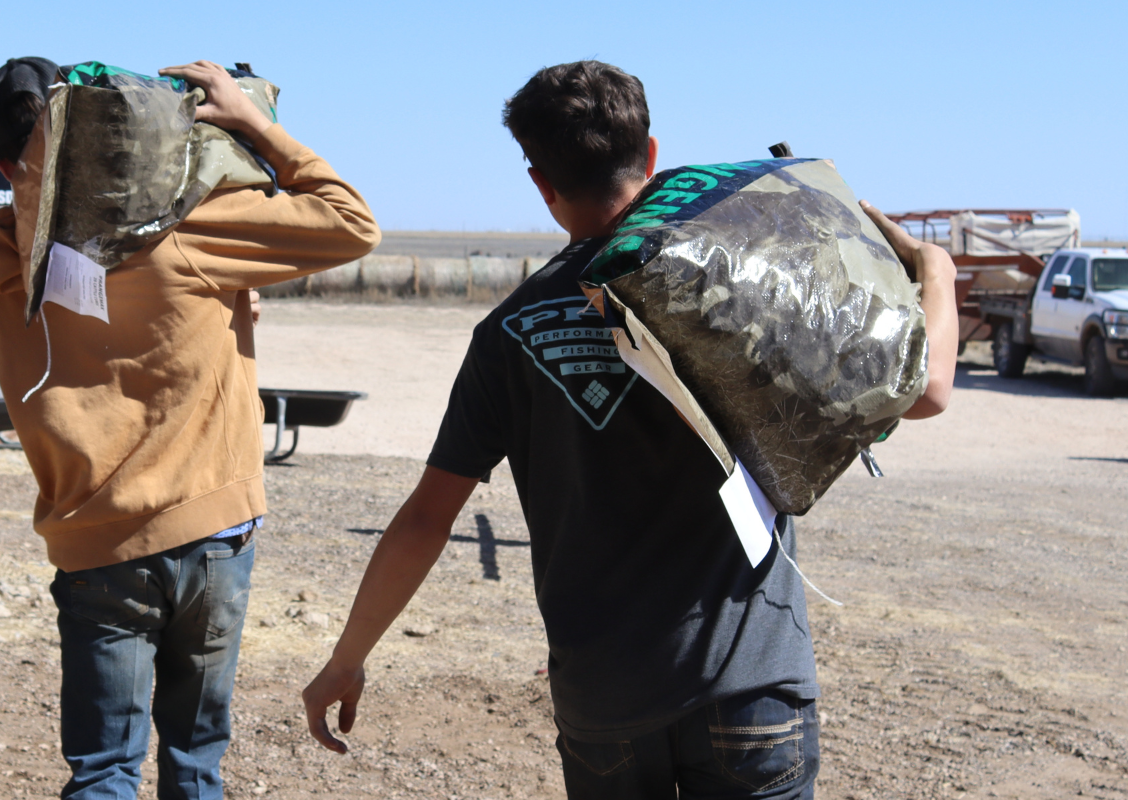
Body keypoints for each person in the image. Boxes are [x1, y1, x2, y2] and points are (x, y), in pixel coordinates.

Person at [298, 60, 956, 799]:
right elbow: (927, 388)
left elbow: (426, 518)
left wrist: (347, 658)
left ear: (541, 184)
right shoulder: (744, 290)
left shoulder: (506, 333)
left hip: (605, 701)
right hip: (750, 689)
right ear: (651, 155)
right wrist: (936, 271)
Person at [0, 57, 381, 799]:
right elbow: (352, 222)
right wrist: (255, 124)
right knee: (195, 766)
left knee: (103, 771)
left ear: (4, 167)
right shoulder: (190, 228)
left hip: (95, 545)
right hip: (211, 531)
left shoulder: (7, 254)